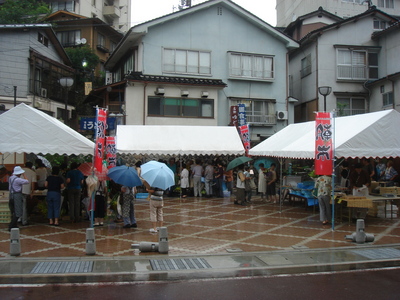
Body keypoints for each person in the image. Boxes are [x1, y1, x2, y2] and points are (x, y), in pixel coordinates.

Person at [8, 166, 29, 231]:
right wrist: (24, 175)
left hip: (11, 195)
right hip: (17, 195)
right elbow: (27, 181)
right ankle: (11, 225)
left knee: (13, 210)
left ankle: (14, 225)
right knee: (18, 211)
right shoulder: (18, 180)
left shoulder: (11, 178)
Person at [21, 162, 37, 226]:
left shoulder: (20, 171)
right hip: (26, 190)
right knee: (24, 206)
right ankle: (24, 221)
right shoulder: (32, 172)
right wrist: (32, 192)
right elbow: (33, 183)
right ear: (31, 166)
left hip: (18, 190)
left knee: (18, 205)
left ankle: (19, 218)